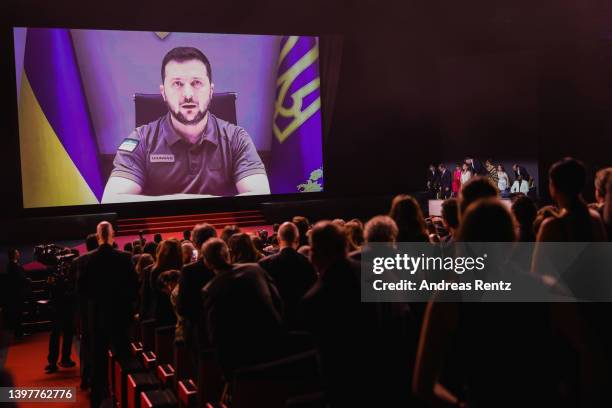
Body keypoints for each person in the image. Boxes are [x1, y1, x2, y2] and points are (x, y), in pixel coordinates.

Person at [102, 47, 269, 203]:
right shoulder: (141, 139)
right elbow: (111, 199)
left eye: (196, 83)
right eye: (177, 84)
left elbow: (261, 195)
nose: (188, 95)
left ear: (210, 91)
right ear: (164, 93)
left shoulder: (237, 138)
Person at [200, 238, 283, 377]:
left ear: (206, 263)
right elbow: (277, 301)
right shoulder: (255, 269)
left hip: (241, 358)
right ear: (228, 255)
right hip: (274, 344)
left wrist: (227, 374)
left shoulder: (211, 290)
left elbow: (217, 336)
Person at [77, 222, 138, 407]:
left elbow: (81, 290)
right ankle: (125, 400)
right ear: (113, 235)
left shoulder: (86, 260)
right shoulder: (125, 257)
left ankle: (96, 401)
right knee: (124, 360)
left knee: (98, 363)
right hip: (120, 317)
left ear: (97, 236)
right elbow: (134, 287)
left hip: (97, 318)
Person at [259, 222, 317, 329]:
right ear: (297, 240)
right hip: (302, 321)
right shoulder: (307, 263)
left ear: (278, 238)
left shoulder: (264, 264)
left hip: (275, 323)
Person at [140, 239, 182, 326]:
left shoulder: (149, 271)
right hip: (176, 315)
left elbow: (145, 298)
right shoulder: (183, 270)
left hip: (158, 315)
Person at [1, 249, 30, 341]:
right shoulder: (11, 265)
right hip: (16, 293)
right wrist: (26, 280)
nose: (19, 254)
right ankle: (18, 333)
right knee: (18, 314)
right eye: (17, 253)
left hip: (19, 292)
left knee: (19, 313)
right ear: (13, 255)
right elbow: (17, 278)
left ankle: (20, 332)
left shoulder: (15, 264)